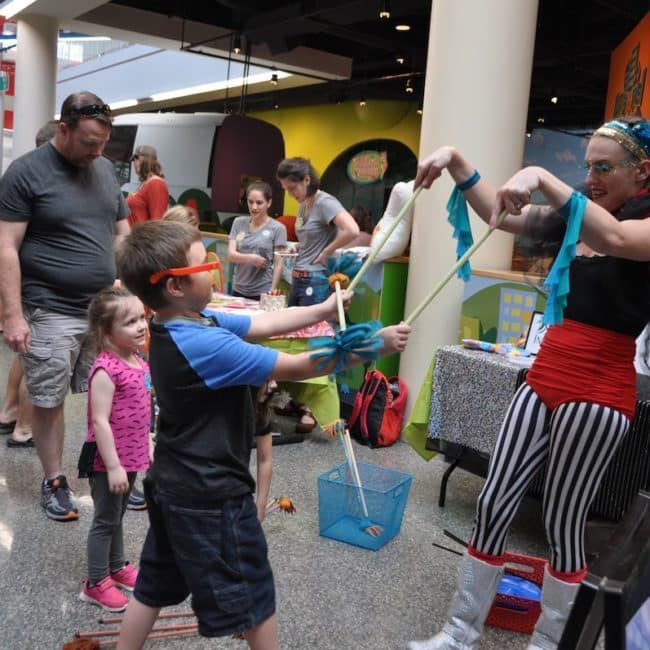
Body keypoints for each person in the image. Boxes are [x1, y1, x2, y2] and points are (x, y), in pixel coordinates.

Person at [407, 116, 650, 650]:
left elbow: (612, 237)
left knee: (563, 522)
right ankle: (458, 631)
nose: (592, 177)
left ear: (643, 172)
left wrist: (540, 171)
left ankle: (549, 644)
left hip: (600, 389)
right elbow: (504, 213)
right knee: (494, 501)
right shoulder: (575, 219)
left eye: (604, 167)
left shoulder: (634, 225)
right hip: (544, 375)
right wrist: (454, 160)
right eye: (587, 167)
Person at [114, 220, 410, 649]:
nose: (213, 270)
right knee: (255, 593)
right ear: (175, 286)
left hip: (174, 482)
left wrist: (324, 311)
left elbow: (265, 322)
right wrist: (373, 345)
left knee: (155, 584)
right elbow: (298, 367)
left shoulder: (185, 322)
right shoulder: (204, 344)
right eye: (204, 264)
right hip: (211, 492)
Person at [0, 91, 130, 521]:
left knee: (106, 392)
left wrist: (125, 283)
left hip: (101, 309)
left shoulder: (105, 169)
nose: (96, 152)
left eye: (102, 144)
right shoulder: (26, 172)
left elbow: (122, 230)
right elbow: (6, 246)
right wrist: (13, 315)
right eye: (89, 142)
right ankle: (54, 480)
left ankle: (107, 469)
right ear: (63, 129)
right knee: (50, 396)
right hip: (48, 307)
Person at [79, 286, 151, 612]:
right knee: (106, 519)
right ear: (106, 332)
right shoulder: (106, 369)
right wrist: (113, 466)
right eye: (130, 322)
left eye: (141, 317)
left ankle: (117, 565)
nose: (141, 325)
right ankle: (95, 582)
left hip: (131, 456)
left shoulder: (137, 360)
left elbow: (142, 408)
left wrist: (147, 443)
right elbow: (100, 421)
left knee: (118, 514)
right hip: (108, 460)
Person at [0, 119, 60, 449]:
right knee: (37, 361)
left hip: (23, 285)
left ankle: (9, 412)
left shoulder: (21, 178)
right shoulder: (40, 183)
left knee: (24, 357)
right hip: (38, 289)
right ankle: (24, 427)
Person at [276, 157, 359, 306]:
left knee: (311, 328)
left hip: (315, 278)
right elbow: (311, 238)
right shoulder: (303, 205)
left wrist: (327, 251)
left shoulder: (325, 202)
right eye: (286, 189)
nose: (290, 194)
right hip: (297, 276)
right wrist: (298, 246)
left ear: (306, 180)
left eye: (292, 188)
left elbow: (352, 230)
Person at [228, 181, 287, 300]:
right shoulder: (238, 223)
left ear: (269, 202)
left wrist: (272, 291)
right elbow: (231, 255)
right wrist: (250, 258)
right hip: (238, 288)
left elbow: (278, 264)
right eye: (250, 202)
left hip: (262, 290)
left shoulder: (278, 228)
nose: (254, 207)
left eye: (259, 203)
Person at [126, 145, 169, 226]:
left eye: (135, 160)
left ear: (141, 160)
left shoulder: (156, 183)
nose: (133, 163)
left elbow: (157, 222)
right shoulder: (146, 183)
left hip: (142, 237)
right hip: (133, 237)